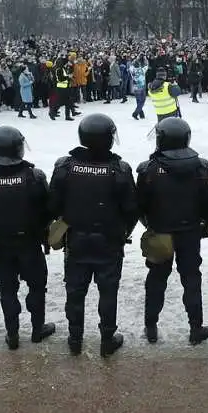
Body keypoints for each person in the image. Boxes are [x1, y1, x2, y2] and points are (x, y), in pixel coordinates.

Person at [49, 114, 137, 357]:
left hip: (76, 241)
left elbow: (52, 205)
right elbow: (131, 210)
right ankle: (107, 338)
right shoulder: (119, 169)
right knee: (108, 292)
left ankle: (75, 338)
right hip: (108, 241)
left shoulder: (65, 167)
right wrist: (122, 232)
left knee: (75, 291)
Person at [0, 126, 54, 350]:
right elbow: (48, 210)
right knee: (36, 287)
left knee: (7, 288)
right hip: (29, 243)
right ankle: (37, 329)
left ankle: (12, 334)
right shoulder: (34, 176)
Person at [136, 117, 208, 345]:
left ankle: (151, 326)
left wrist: (150, 225)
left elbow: (140, 204)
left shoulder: (149, 169)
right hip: (189, 232)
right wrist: (204, 225)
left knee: (156, 279)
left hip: (160, 232)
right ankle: (195, 328)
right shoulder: (201, 167)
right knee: (191, 279)